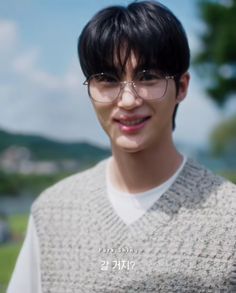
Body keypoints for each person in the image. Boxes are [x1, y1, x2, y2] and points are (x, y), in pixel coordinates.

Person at [8, 1, 236, 292]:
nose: (128, 100)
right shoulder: (52, 212)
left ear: (182, 87)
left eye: (148, 77)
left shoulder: (230, 219)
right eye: (107, 79)